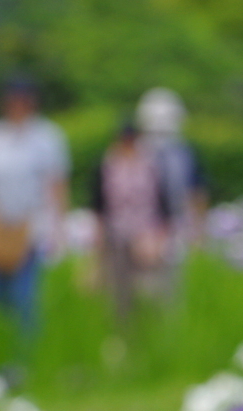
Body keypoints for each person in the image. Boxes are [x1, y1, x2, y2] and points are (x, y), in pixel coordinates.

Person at [0, 76, 70, 337]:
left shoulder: (47, 137)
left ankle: (25, 356)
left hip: (30, 226)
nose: (17, 106)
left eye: (23, 100)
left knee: (24, 296)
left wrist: (59, 227)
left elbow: (57, 184)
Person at [91, 122, 171, 321]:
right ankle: (124, 339)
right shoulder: (107, 165)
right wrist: (98, 249)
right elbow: (99, 207)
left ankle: (152, 335)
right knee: (120, 294)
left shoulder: (152, 165)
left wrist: (158, 241)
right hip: (116, 236)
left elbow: (163, 206)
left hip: (146, 237)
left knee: (150, 292)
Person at [136, 88, 208, 251]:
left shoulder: (185, 153)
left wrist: (198, 230)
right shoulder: (137, 153)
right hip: (144, 224)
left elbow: (197, 192)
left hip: (178, 221)